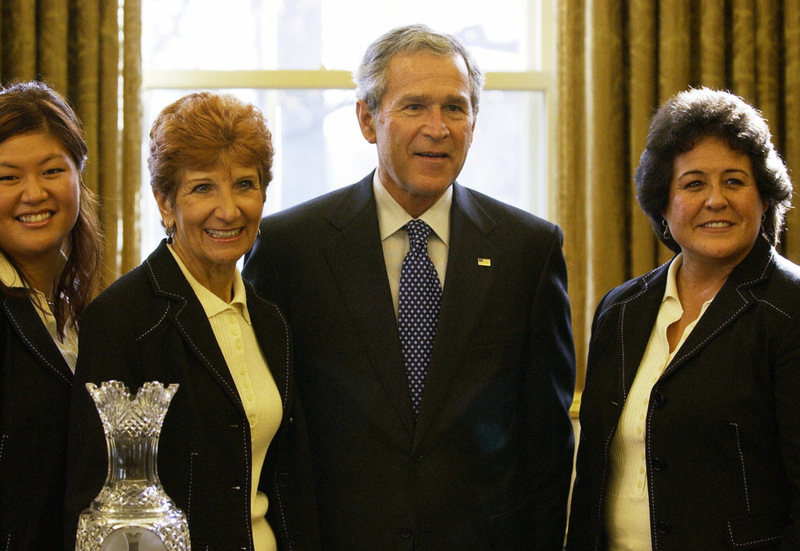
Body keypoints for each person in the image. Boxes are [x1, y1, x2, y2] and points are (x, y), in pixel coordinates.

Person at [243, 24, 575, 551]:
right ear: (367, 119)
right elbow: (271, 432)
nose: (437, 128)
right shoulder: (291, 248)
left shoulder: (527, 250)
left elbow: (547, 444)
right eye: (415, 106)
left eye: (456, 108)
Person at [65, 92, 319, 551]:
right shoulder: (123, 318)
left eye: (245, 184)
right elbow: (96, 502)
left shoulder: (270, 319)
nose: (228, 209)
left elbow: (286, 481)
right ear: (165, 203)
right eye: (203, 187)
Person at [566, 87, 800, 551]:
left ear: (764, 197)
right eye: (693, 184)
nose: (716, 200)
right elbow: (594, 472)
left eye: (734, 181)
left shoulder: (790, 309)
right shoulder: (621, 309)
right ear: (662, 204)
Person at [0, 81, 103, 550]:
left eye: (51, 170)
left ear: (78, 176)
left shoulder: (87, 307)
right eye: (8, 177)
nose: (33, 193)